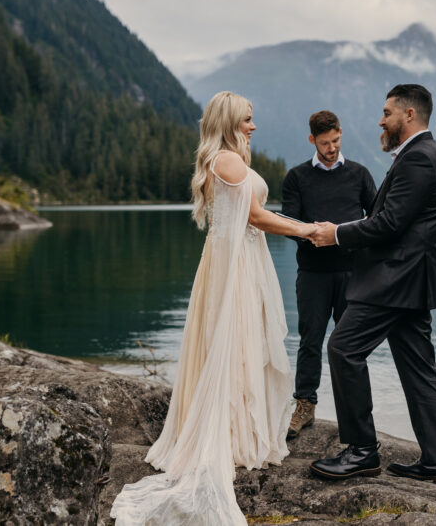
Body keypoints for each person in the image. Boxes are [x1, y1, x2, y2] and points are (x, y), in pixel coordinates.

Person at [110, 91, 315, 525]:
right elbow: (256, 217)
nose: (253, 127)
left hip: (228, 258)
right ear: (228, 123)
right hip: (235, 263)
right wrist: (309, 230)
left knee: (236, 341)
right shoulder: (227, 161)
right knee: (235, 340)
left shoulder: (222, 160)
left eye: (252, 119)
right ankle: (230, 434)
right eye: (246, 120)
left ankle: (235, 428)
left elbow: (251, 214)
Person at [307, 84, 436, 487]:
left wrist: (336, 233)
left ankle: (361, 451)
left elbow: (389, 223)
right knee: (420, 369)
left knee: (343, 349)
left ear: (409, 115)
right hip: (411, 281)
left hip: (394, 280)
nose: (381, 119)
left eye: (387, 112)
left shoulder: (420, 159)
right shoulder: (425, 155)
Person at [281, 111, 376, 440]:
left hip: (354, 274)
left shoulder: (360, 175)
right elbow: (289, 224)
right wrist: (313, 233)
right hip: (313, 275)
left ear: (341, 134)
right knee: (310, 341)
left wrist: (342, 234)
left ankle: (352, 413)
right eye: (325, 143)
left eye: (335, 141)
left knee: (350, 346)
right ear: (312, 141)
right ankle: (305, 405)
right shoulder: (296, 178)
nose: (332, 148)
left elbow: (375, 222)